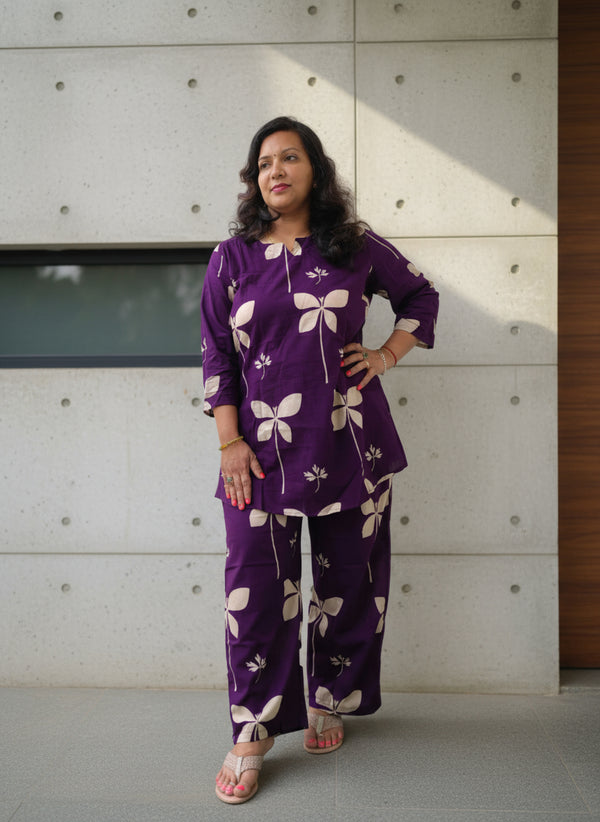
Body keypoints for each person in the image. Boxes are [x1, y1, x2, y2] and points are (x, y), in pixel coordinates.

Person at [200, 115, 438, 804]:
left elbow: (420, 295)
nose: (275, 170)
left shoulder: (353, 246)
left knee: (348, 584)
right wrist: (229, 441)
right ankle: (252, 731)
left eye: (290, 158)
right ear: (255, 180)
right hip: (259, 456)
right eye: (264, 162)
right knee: (254, 595)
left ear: (316, 171)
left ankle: (329, 694)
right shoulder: (231, 258)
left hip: (347, 444)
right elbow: (218, 354)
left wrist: (387, 352)